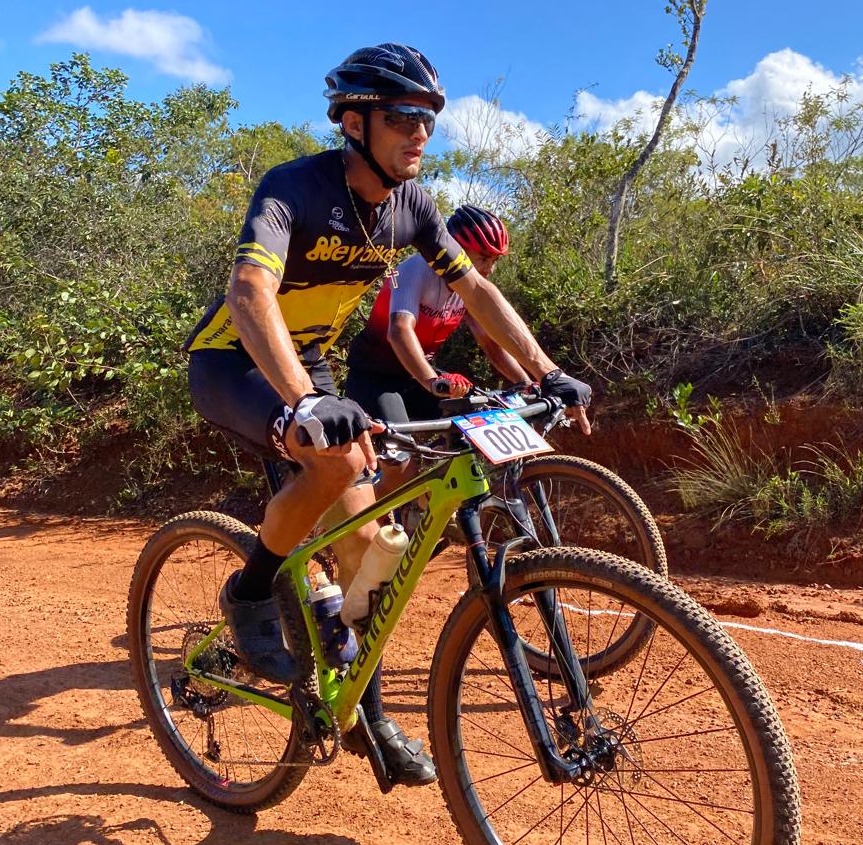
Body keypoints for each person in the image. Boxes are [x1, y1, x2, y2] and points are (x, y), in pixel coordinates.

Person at [185, 42, 592, 786]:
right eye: (404, 116)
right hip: (235, 361)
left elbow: (477, 293)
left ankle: (366, 716)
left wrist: (547, 370)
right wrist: (304, 400)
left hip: (310, 366)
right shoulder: (294, 188)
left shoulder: (413, 208)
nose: (420, 133)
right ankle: (250, 591)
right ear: (355, 121)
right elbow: (250, 292)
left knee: (369, 552)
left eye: (429, 119)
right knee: (340, 459)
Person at [346, 204, 529, 426]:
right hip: (374, 377)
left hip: (416, 375)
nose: (489, 270)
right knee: (400, 446)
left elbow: (491, 342)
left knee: (478, 417)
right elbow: (399, 330)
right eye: (483, 258)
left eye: (494, 261)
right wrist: (433, 382)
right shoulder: (415, 269)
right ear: (456, 250)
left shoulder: (469, 288)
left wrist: (525, 383)